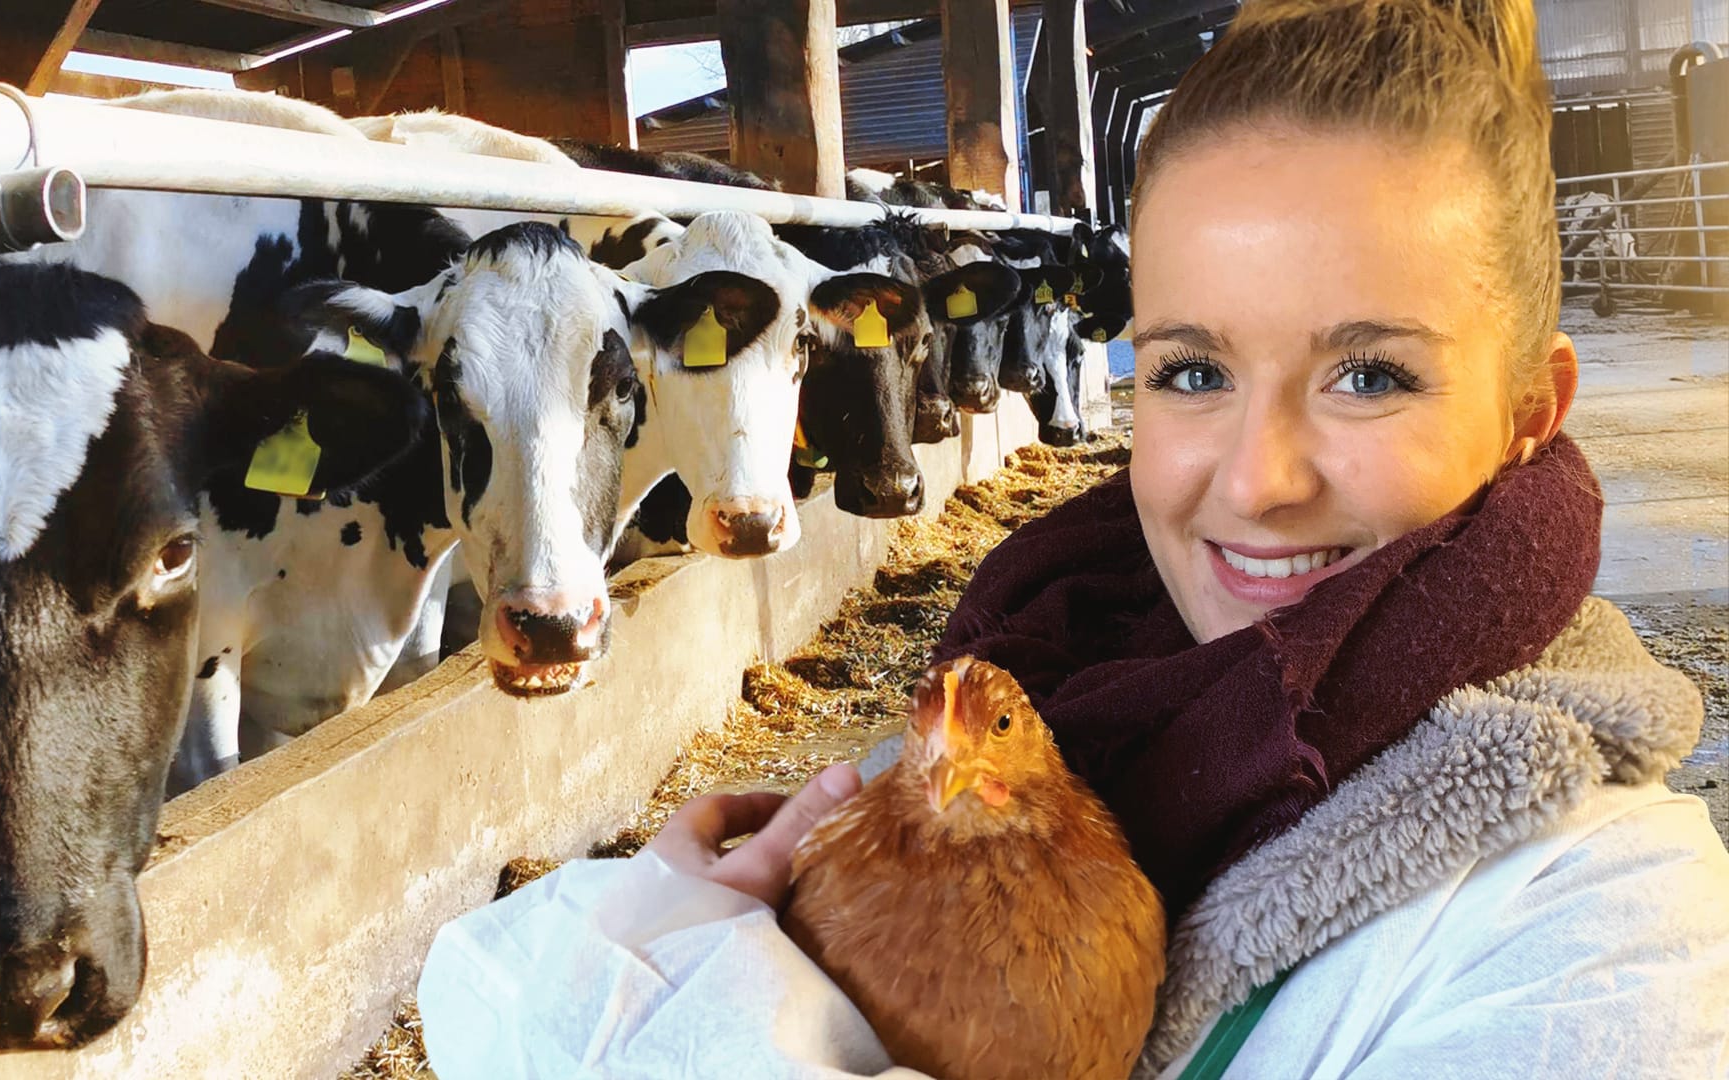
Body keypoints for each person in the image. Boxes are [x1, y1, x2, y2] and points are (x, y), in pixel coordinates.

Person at [415, 0, 1729, 1076]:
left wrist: (655, 978)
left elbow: (545, 1003)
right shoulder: (1045, 680)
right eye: (1192, 371)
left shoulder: (1611, 929)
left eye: (1370, 376)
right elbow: (470, 988)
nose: (1258, 482)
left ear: (1528, 411)